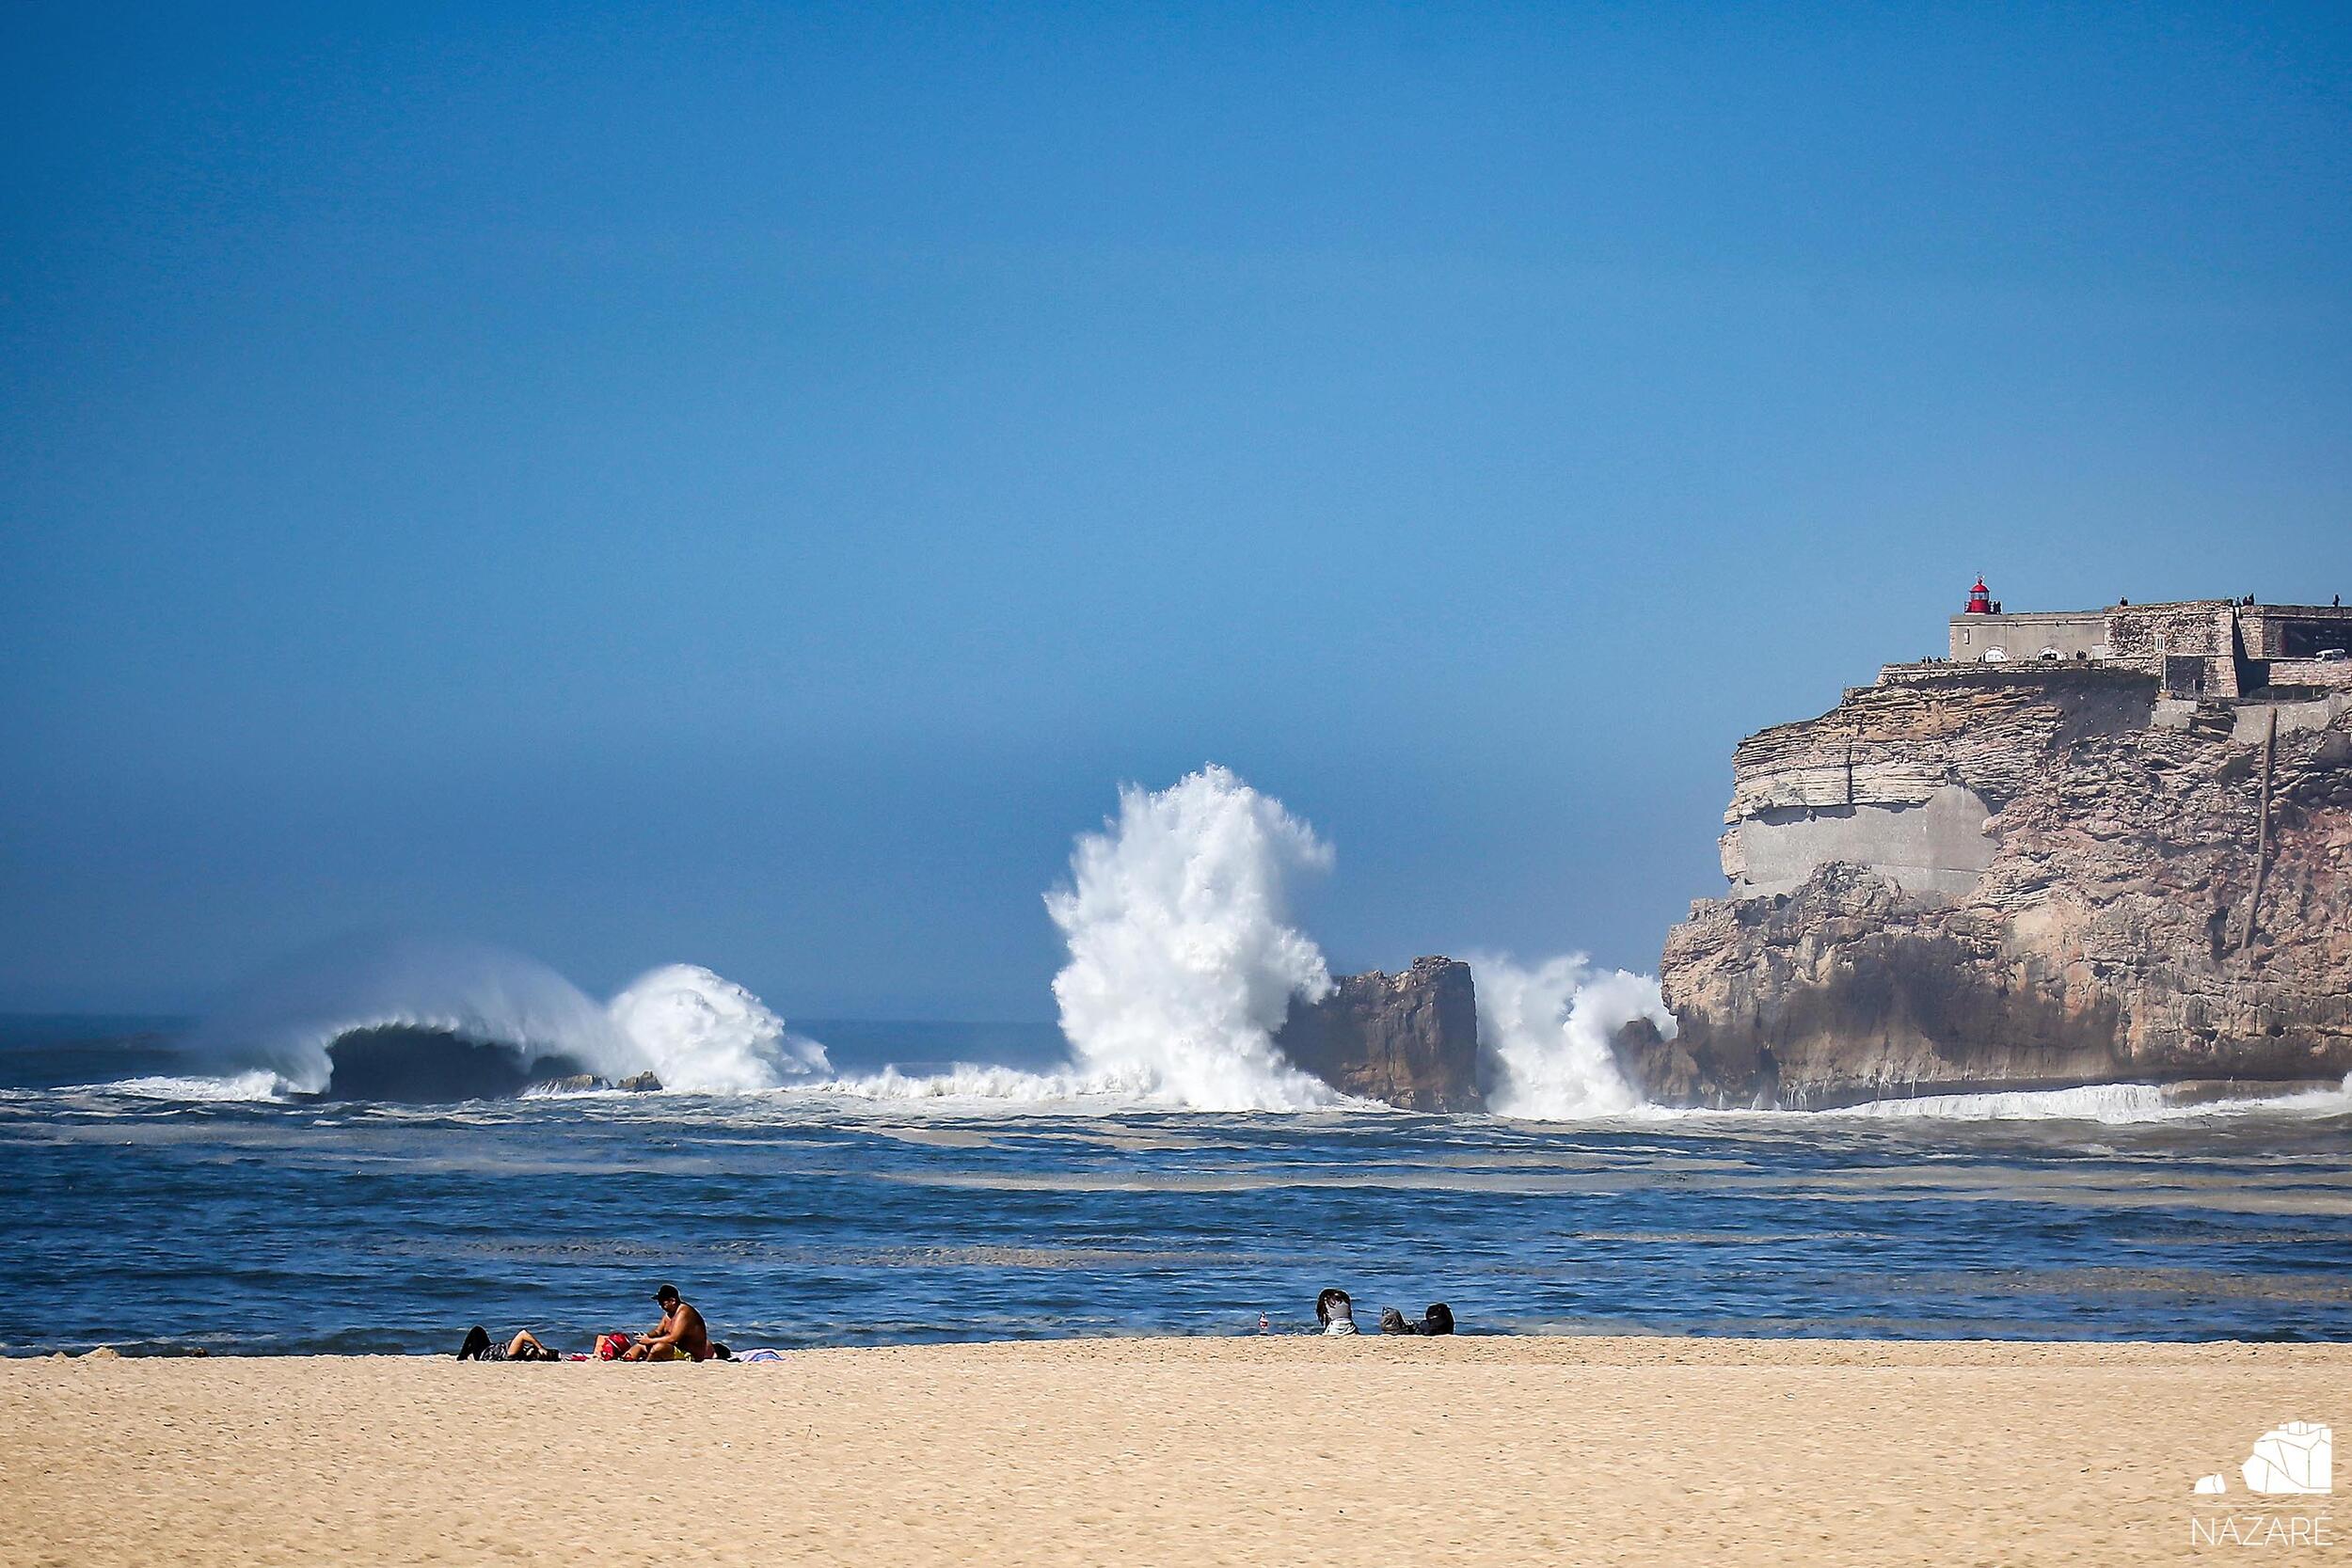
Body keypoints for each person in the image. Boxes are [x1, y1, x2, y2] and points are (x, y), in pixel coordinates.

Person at [621, 1282, 712, 1362]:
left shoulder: (684, 1312)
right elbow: (658, 1331)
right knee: (640, 1346)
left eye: (662, 1302)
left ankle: (647, 1364)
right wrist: (646, 1336)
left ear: (672, 1301)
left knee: (658, 1347)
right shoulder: (669, 1314)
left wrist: (649, 1341)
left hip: (690, 1355)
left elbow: (673, 1338)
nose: (660, 1305)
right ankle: (626, 1360)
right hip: (675, 1350)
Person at [456, 1325, 560, 1361]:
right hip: (490, 1347)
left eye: (534, 1351)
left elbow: (523, 1334)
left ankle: (462, 1355)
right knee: (477, 1332)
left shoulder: (513, 1353)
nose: (532, 1348)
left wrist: (540, 1347)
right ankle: (465, 1353)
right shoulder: (521, 1354)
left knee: (477, 1330)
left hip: (484, 1353)